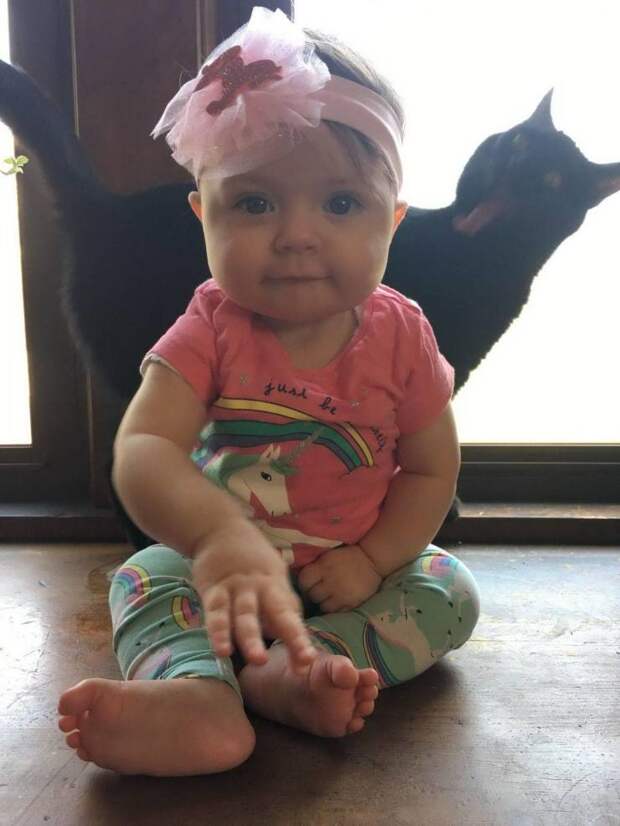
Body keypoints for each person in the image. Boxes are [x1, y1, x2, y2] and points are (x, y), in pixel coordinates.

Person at [57, 6, 480, 777]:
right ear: (202, 214)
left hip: (352, 580)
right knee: (146, 575)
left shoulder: (403, 336)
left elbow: (430, 470)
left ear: (392, 220)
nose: (296, 235)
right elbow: (145, 446)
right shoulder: (211, 326)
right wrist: (217, 538)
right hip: (223, 582)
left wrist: (375, 559)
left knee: (449, 589)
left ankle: (300, 667)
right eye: (254, 203)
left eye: (341, 203)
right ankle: (196, 691)